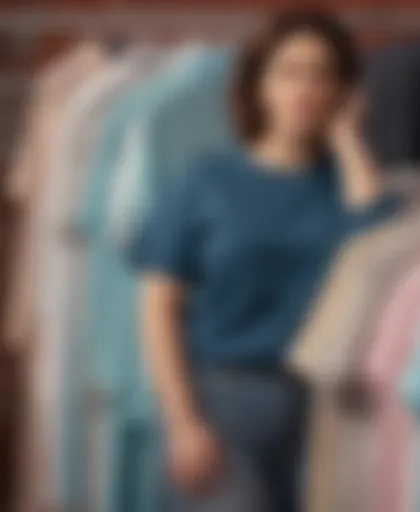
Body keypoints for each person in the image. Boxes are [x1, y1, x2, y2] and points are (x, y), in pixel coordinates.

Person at [131, 11, 402, 512]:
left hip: (331, 414)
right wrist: (183, 422)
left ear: (344, 90)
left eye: (323, 74)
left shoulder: (350, 185)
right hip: (225, 404)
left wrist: (347, 139)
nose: (306, 89)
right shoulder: (205, 182)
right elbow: (156, 310)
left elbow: (381, 256)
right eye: (289, 72)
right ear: (258, 84)